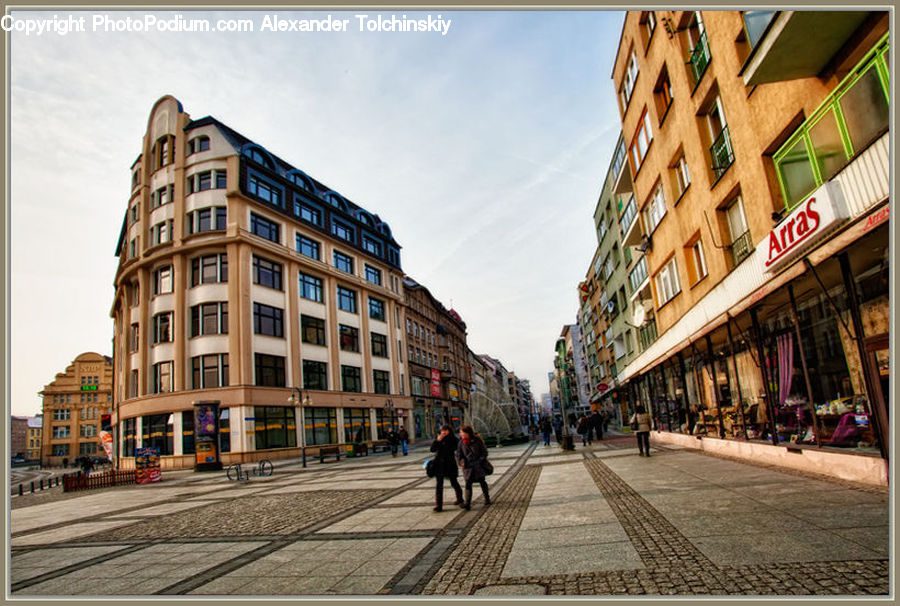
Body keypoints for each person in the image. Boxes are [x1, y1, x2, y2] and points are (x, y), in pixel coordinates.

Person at [456, 424, 491, 510]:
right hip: (468, 468)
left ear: (467, 433)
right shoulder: (461, 442)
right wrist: (461, 461)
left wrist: (479, 461)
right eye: (460, 432)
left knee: (482, 482)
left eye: (462, 432)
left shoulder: (477, 441)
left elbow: (484, 452)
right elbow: (458, 455)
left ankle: (487, 498)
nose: (461, 434)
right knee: (468, 484)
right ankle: (467, 503)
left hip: (478, 466)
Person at [430, 425, 463, 512]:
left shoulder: (453, 439)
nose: (443, 432)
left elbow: (458, 448)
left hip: (450, 464)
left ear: (449, 431)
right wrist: (437, 441)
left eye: (445, 430)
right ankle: (439, 505)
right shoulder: (439, 438)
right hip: (439, 464)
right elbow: (432, 449)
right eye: (442, 431)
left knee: (454, 482)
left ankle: (460, 498)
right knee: (439, 485)